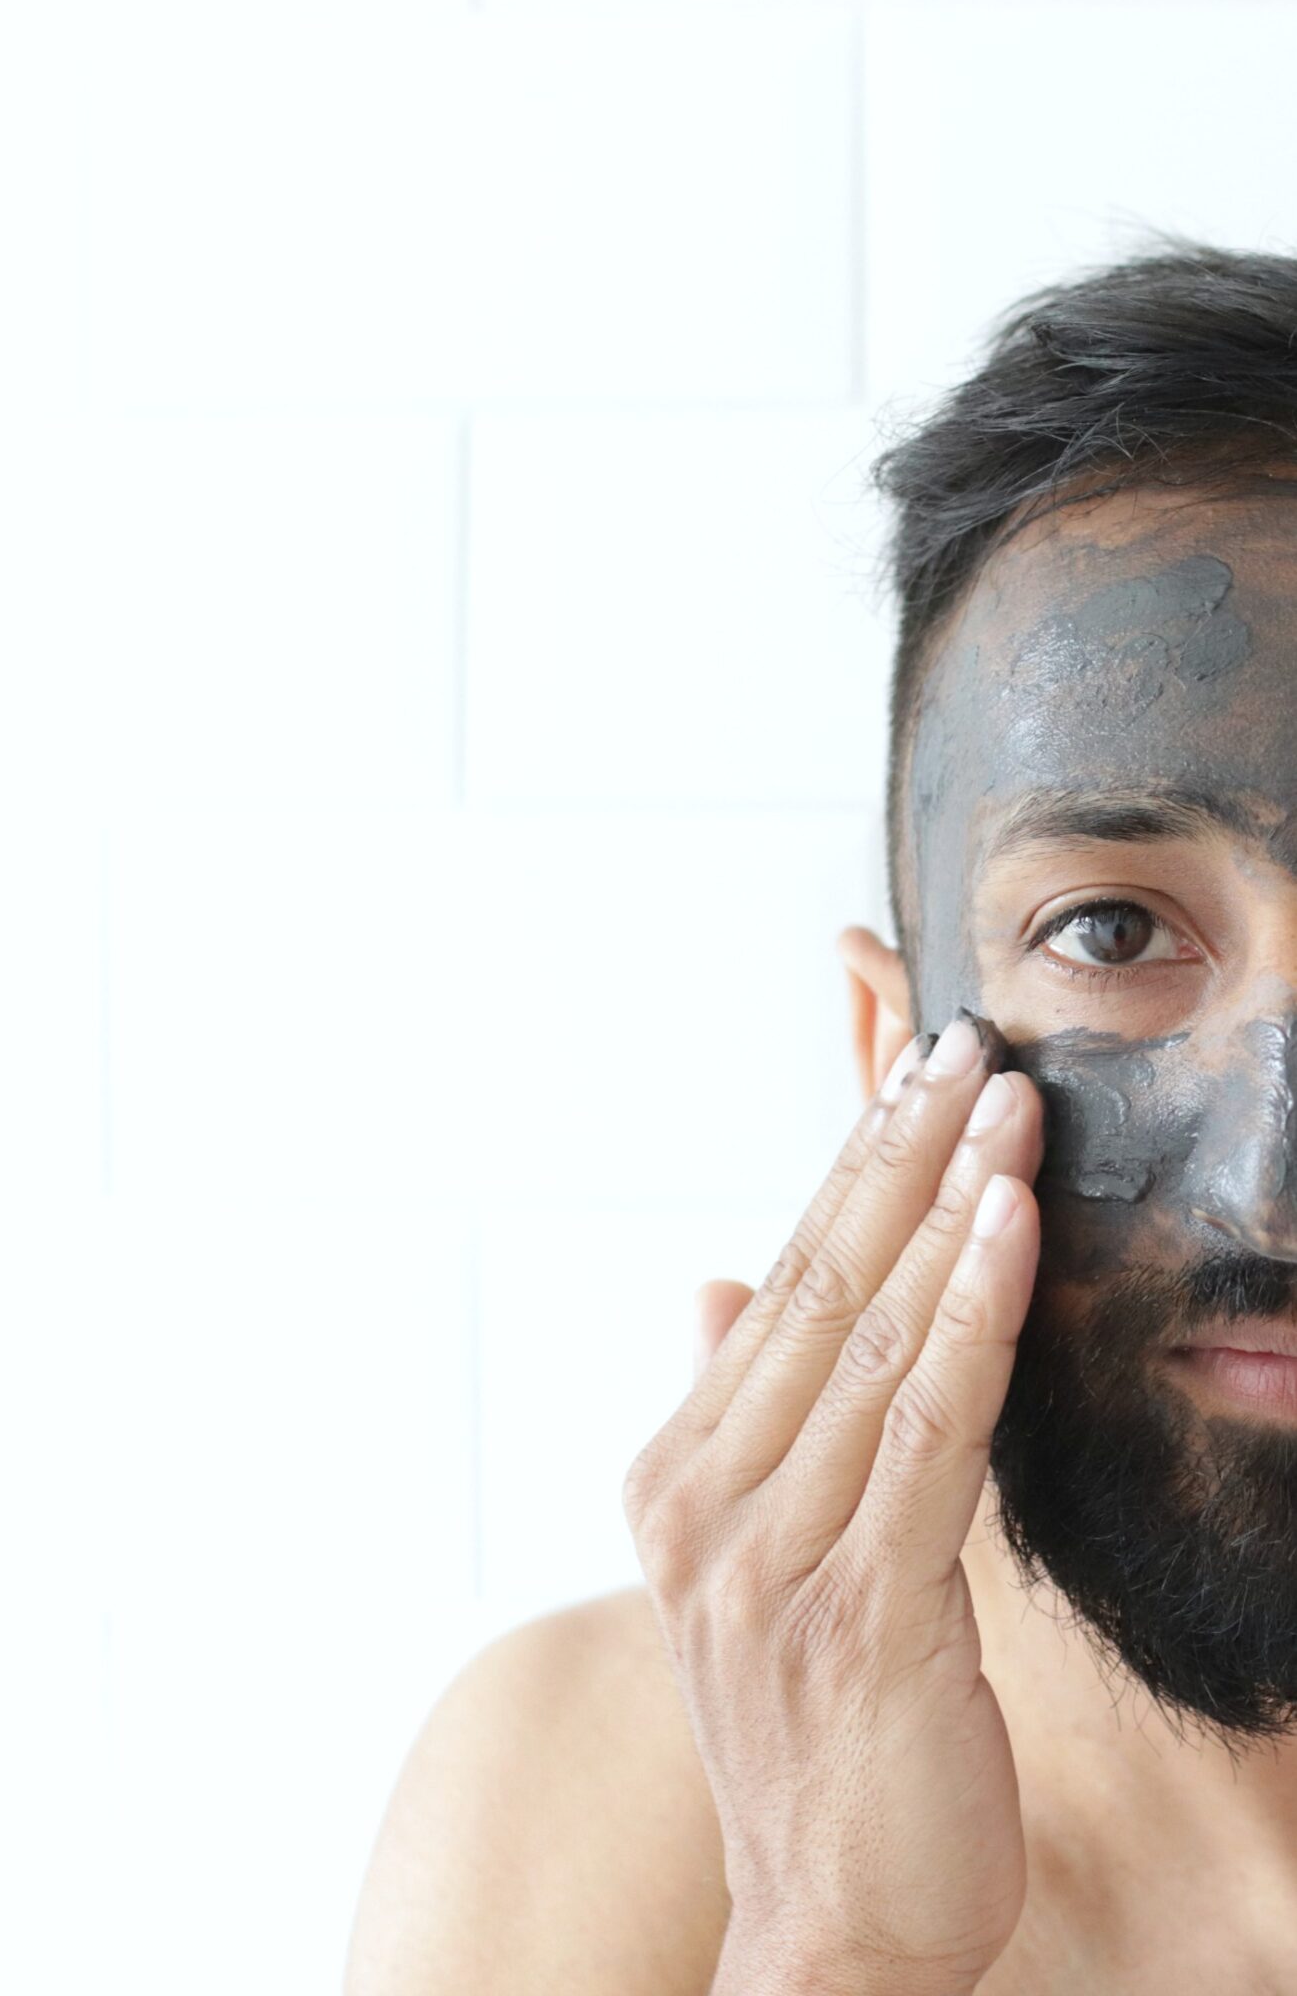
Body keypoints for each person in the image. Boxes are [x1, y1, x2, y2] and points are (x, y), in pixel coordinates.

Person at [344, 241, 1297, 1995]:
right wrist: (830, 1934)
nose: (1275, 1193)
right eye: (1110, 932)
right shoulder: (589, 1798)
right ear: (896, 1064)